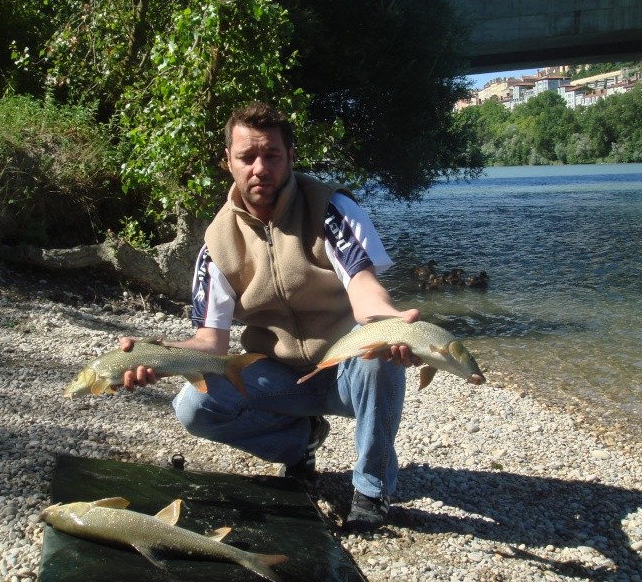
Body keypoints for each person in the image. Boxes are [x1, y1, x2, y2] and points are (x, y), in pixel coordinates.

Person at [121, 102, 420, 534]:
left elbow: (363, 288)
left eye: (272, 156)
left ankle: (372, 490)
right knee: (194, 407)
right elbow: (210, 343)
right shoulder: (217, 244)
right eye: (247, 157)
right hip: (278, 377)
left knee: (377, 348)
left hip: (343, 369)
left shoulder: (331, 209)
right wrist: (156, 354)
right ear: (228, 162)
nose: (260, 168)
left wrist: (389, 319)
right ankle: (302, 442)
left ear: (291, 157)